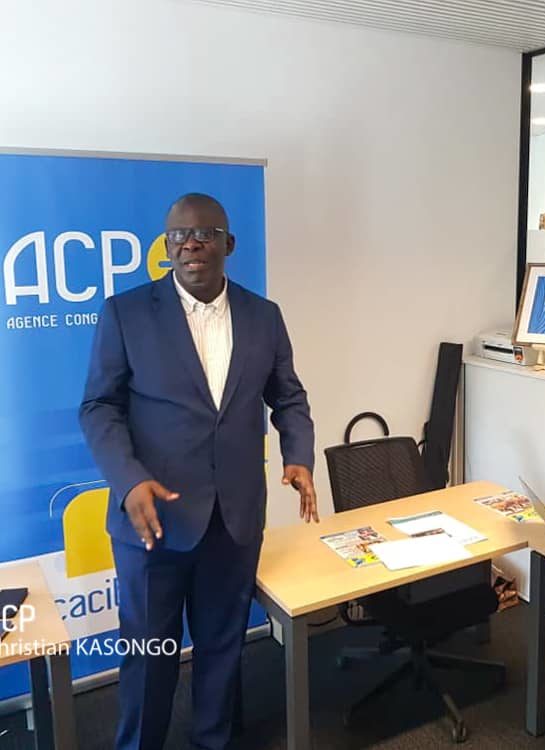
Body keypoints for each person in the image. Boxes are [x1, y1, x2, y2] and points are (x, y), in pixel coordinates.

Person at [79, 193, 318, 750]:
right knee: (149, 658)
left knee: (222, 650)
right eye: (178, 236)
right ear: (167, 247)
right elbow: (99, 407)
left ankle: (213, 742)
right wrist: (128, 479)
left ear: (228, 244)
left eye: (205, 233)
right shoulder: (126, 313)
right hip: (152, 523)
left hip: (233, 520)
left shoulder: (264, 316)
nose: (190, 244)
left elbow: (288, 397)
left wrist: (298, 455)